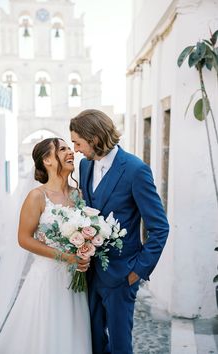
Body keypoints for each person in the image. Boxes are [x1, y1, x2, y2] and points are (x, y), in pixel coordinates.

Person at [70, 109, 170, 354]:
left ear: (93, 138)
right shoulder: (84, 166)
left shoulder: (136, 170)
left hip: (122, 275)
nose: (75, 149)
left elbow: (159, 227)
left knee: (120, 345)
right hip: (89, 273)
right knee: (92, 341)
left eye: (78, 142)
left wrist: (137, 271)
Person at [0, 138, 92, 354]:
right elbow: (24, 239)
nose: (70, 152)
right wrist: (65, 257)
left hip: (76, 281)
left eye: (70, 148)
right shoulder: (36, 196)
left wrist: (84, 251)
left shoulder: (78, 195)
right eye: (63, 149)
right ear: (47, 160)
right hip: (47, 279)